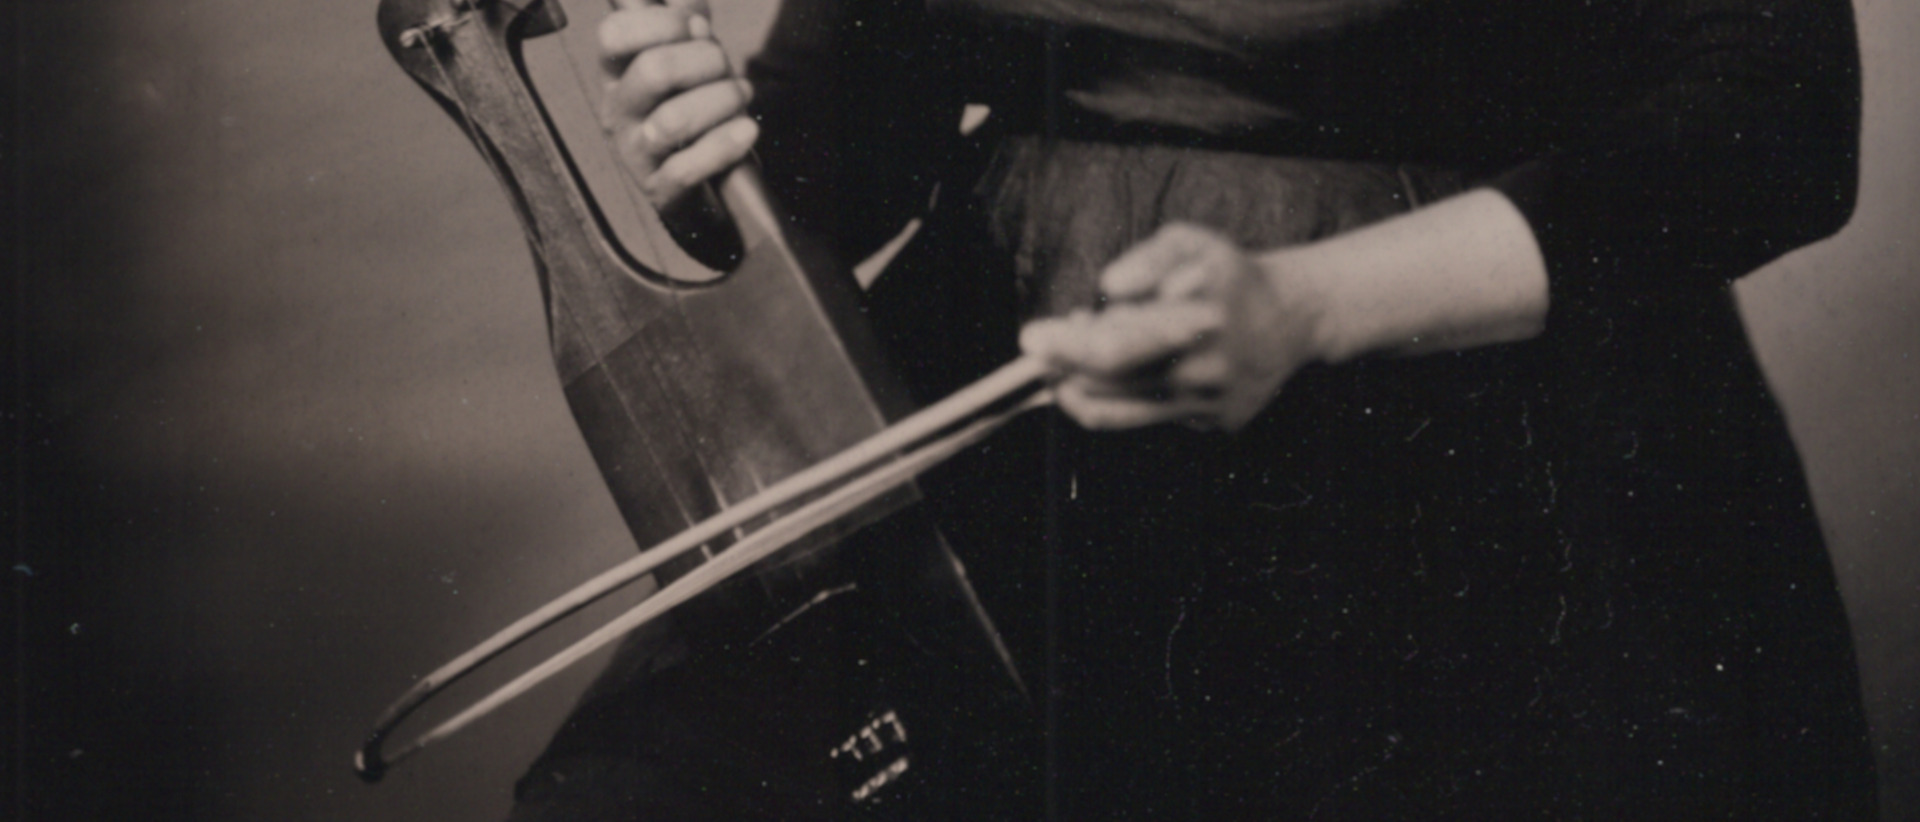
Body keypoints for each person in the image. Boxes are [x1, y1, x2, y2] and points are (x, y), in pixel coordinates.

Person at [512, 0, 1877, 816]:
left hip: (1487, 423)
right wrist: (708, 151)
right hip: (1035, 396)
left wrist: (1306, 306)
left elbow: (1778, 124)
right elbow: (859, 126)